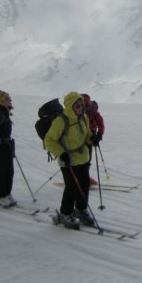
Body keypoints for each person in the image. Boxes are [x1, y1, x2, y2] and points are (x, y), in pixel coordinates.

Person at [45, 91, 94, 228]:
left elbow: (87, 135)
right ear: (69, 106)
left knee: (84, 185)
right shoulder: (61, 121)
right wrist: (61, 153)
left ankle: (81, 210)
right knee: (71, 188)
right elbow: (49, 140)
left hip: (82, 157)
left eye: (81, 105)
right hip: (68, 160)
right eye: (77, 106)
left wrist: (93, 138)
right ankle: (65, 214)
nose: (80, 108)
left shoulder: (83, 117)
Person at [82, 94, 105, 185]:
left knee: (86, 158)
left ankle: (83, 177)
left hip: (89, 138)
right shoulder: (92, 110)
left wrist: (99, 134)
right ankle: (81, 177)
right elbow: (100, 123)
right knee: (83, 158)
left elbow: (100, 123)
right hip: (84, 138)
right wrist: (99, 134)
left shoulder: (91, 111)